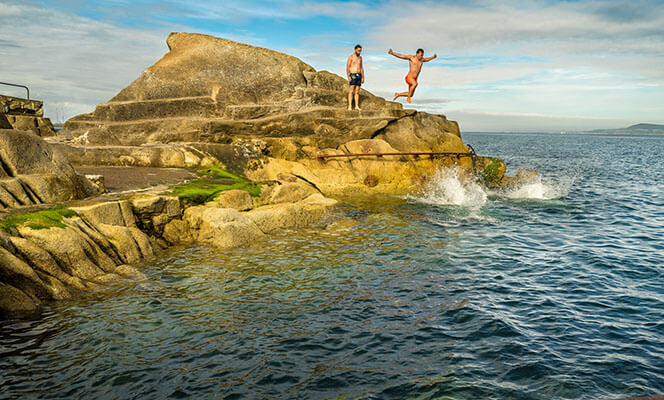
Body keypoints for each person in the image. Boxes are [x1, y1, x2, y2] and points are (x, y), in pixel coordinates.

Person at [346, 44, 365, 110]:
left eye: (360, 51)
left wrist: (363, 77)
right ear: (355, 50)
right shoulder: (351, 57)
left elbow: (361, 67)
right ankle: (350, 106)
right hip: (353, 75)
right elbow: (348, 67)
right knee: (351, 91)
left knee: (357, 92)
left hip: (359, 75)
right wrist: (348, 76)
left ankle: (357, 106)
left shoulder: (360, 58)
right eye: (358, 50)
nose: (359, 52)